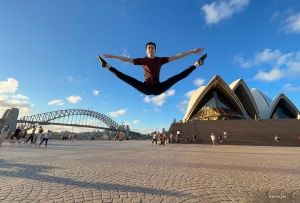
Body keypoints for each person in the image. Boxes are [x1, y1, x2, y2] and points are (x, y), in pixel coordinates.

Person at [97, 42, 207, 95]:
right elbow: (127, 59)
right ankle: (106, 66)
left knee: (177, 77)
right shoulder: (142, 60)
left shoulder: (160, 60)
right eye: (148, 48)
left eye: (152, 48)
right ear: (146, 51)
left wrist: (192, 52)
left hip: (158, 87)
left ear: (155, 50)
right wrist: (112, 56)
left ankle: (197, 63)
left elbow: (177, 56)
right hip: (145, 87)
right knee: (126, 78)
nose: (150, 49)